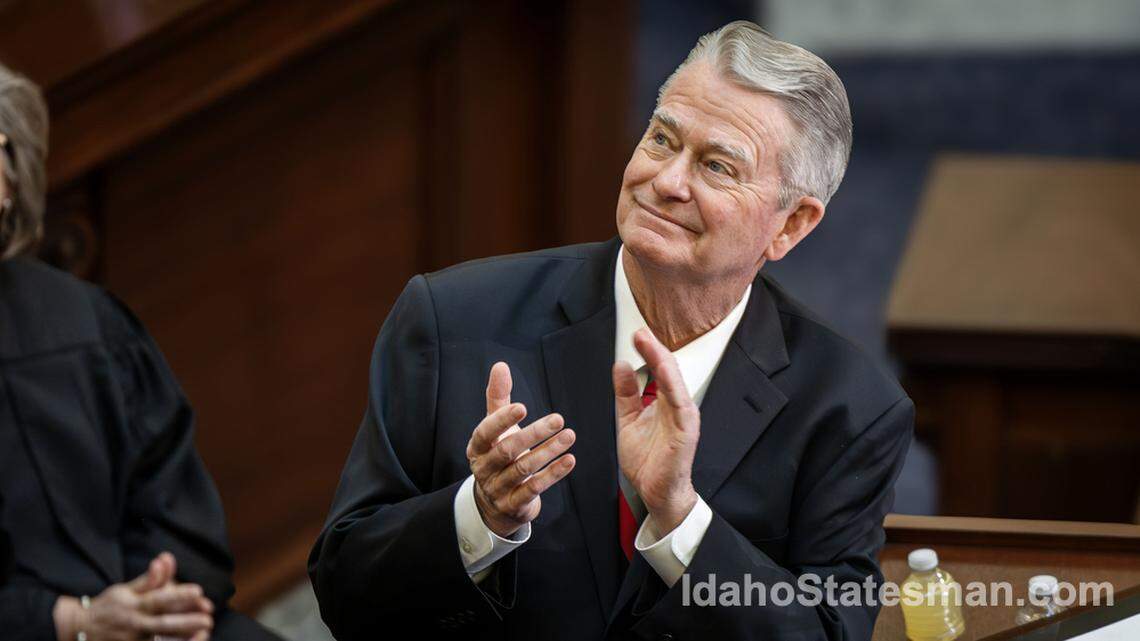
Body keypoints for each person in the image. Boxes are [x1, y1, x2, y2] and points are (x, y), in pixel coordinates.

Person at [310, 21, 913, 640]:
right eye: (661, 139)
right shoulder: (450, 320)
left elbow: (826, 633)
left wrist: (682, 524)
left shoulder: (850, 407)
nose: (668, 182)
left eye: (716, 166)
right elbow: (345, 587)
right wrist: (479, 514)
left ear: (791, 226)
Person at [0, 63, 281, 641]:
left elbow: (181, 523)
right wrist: (72, 622)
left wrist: (154, 607)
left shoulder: (91, 326)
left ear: (7, 179)